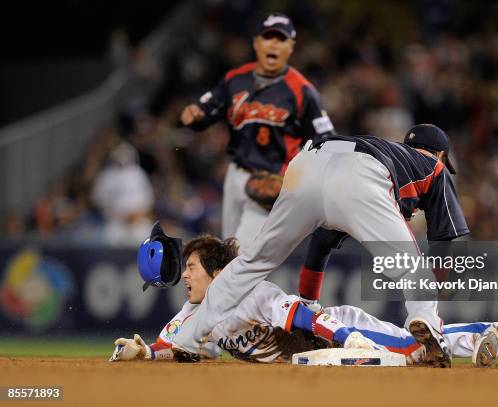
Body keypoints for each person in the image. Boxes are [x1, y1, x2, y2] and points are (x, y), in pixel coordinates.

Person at [172, 124, 470, 368]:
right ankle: (429, 330)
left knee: (252, 261)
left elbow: (321, 244)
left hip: (309, 161)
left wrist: (309, 303)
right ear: (441, 154)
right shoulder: (434, 166)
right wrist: (436, 287)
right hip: (361, 173)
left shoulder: (389, 148)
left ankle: (187, 338)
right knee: (413, 273)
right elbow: (445, 240)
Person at [110, 234, 498, 367]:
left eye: (192, 267)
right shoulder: (192, 314)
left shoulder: (249, 290)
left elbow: (298, 313)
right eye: (184, 268)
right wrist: (141, 351)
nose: (185, 275)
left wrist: (347, 336)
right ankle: (495, 337)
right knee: (412, 353)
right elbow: (168, 344)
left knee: (412, 346)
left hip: (335, 330)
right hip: (324, 354)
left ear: (218, 272)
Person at [179, 12, 335, 247]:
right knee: (229, 255)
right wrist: (194, 116)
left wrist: (295, 175)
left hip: (273, 180)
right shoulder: (235, 79)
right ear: (256, 43)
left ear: (291, 47)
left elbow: (326, 141)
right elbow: (205, 111)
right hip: (235, 176)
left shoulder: (303, 90)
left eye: (281, 39)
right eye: (268, 37)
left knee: (241, 257)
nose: (273, 44)